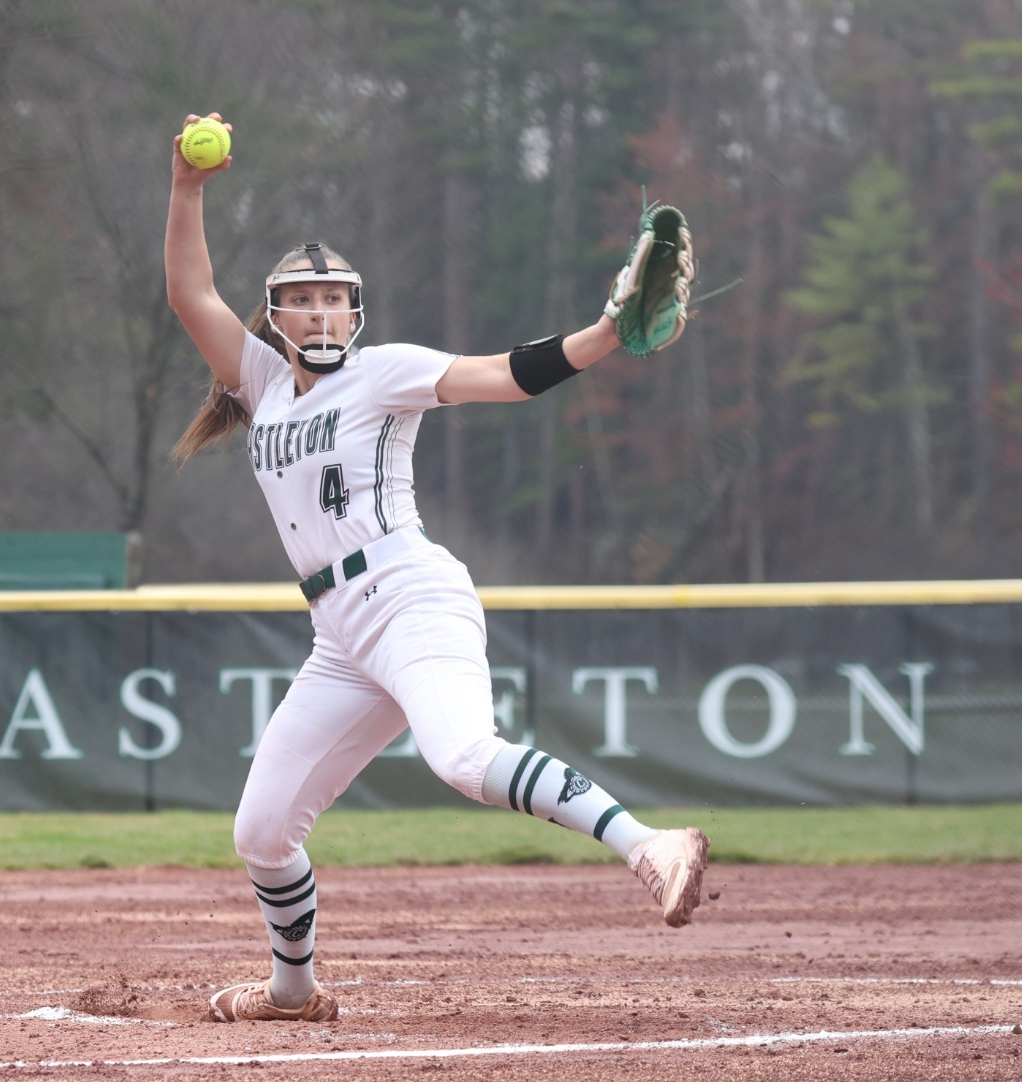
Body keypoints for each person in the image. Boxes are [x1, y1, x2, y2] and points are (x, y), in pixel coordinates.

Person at [162, 113, 711, 1022]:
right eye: (304, 300)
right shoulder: (260, 383)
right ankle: (293, 992)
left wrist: (605, 334)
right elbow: (190, 294)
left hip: (410, 595)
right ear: (278, 316)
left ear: (355, 311)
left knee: (462, 756)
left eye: (335, 298)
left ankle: (649, 844)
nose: (322, 312)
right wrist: (186, 187)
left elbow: (505, 375)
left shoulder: (382, 372)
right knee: (260, 831)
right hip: (340, 635)